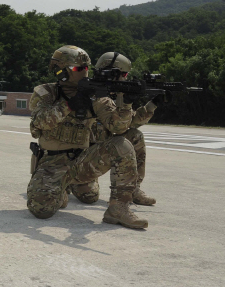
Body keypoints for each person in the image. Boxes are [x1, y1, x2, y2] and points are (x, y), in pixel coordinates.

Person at [27, 45, 148, 230]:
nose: (84, 72)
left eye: (86, 68)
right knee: (41, 209)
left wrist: (126, 102)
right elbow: (40, 122)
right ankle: (61, 188)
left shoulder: (95, 95)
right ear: (61, 71)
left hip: (82, 161)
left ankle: (118, 208)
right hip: (52, 162)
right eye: (77, 69)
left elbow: (118, 126)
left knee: (121, 145)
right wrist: (69, 105)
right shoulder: (46, 92)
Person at [69, 52, 159, 206]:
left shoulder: (112, 94)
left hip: (99, 151)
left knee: (135, 136)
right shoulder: (93, 94)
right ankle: (64, 180)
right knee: (89, 196)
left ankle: (133, 189)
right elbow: (118, 126)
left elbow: (132, 122)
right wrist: (126, 102)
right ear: (113, 73)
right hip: (79, 157)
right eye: (124, 74)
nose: (125, 77)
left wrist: (153, 103)